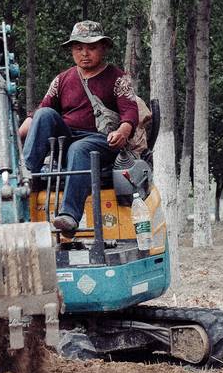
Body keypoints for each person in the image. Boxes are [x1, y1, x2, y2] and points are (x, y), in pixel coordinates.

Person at [19, 20, 139, 234]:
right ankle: (26, 180)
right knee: (44, 114)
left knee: (80, 148)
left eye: (91, 47)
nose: (85, 53)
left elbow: (130, 111)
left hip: (101, 141)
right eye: (78, 48)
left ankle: (69, 216)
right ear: (72, 51)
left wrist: (123, 131)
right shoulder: (62, 79)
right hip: (66, 139)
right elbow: (42, 110)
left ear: (103, 48)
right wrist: (21, 130)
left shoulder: (118, 78)